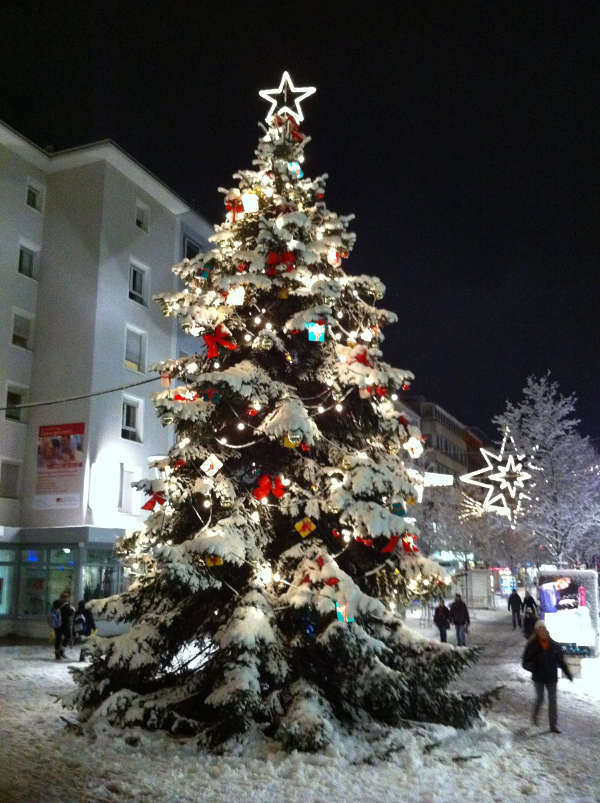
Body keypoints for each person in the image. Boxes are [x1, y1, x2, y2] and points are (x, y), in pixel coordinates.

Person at [522, 620, 573, 733]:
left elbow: (561, 661)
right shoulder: (531, 646)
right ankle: (535, 718)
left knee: (553, 700)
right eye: (540, 629)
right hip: (538, 678)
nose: (542, 631)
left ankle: (553, 725)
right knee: (540, 698)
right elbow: (525, 663)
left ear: (546, 630)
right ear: (536, 631)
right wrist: (533, 667)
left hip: (551, 677)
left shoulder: (554, 645)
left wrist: (568, 674)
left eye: (543, 629)